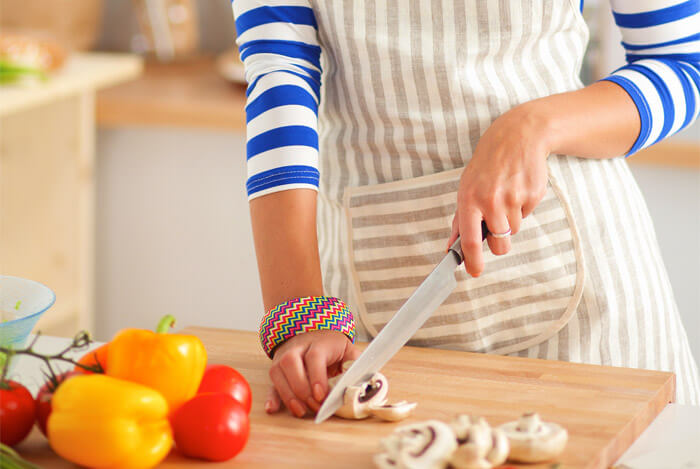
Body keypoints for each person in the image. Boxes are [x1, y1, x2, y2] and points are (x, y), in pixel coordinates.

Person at [233, 0, 700, 416]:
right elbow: (280, 80)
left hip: (595, 311)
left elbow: (681, 63)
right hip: (383, 292)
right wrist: (299, 314)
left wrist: (532, 127)